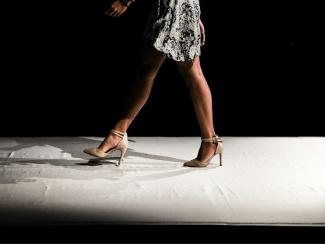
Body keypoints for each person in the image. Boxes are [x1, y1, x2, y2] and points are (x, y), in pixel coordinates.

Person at [84, 0, 223, 167]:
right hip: (173, 6)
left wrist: (125, 1)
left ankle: (117, 135)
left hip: (176, 6)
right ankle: (210, 141)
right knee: (170, 72)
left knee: (172, 72)